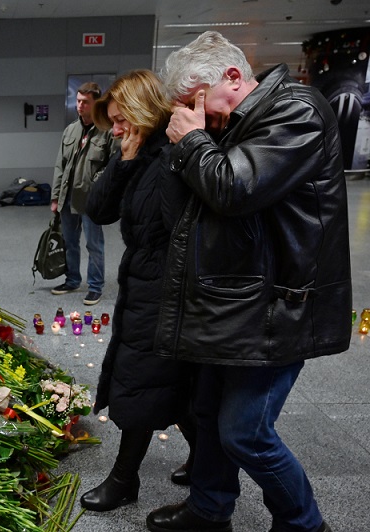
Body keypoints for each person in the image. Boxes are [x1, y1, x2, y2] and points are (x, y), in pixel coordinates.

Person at [147, 31, 350, 532]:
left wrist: (194, 139)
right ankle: (209, 510)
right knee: (211, 413)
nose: (198, 117)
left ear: (233, 77)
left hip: (281, 303)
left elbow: (233, 187)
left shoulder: (296, 109)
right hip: (239, 297)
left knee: (245, 432)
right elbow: (188, 208)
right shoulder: (240, 121)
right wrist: (192, 142)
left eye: (198, 103)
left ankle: (304, 523)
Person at [80, 70, 194, 513]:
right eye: (114, 121)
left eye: (123, 119)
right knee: (171, 382)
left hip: (165, 287)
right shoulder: (139, 153)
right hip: (143, 279)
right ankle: (205, 461)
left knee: (142, 380)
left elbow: (181, 228)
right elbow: (98, 209)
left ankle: (124, 479)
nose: (118, 128)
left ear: (146, 108)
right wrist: (123, 161)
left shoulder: (173, 156)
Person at [50, 82, 116, 306]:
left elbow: (113, 164)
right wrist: (55, 196)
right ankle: (72, 280)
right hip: (68, 197)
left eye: (85, 102)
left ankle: (95, 286)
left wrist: (95, 184)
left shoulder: (107, 131)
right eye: (78, 101)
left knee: (94, 244)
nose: (80, 105)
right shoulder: (71, 130)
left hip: (91, 199)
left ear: (96, 103)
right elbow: (60, 165)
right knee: (70, 241)